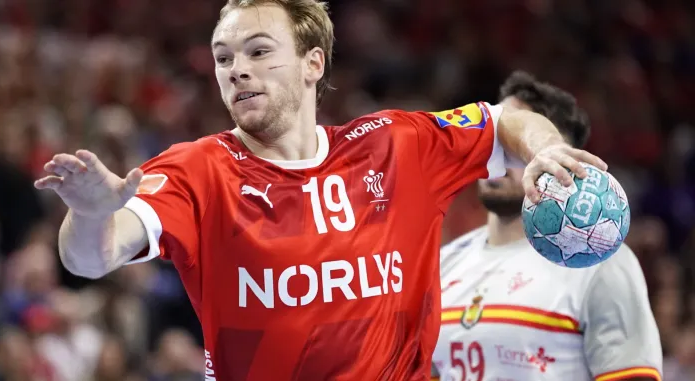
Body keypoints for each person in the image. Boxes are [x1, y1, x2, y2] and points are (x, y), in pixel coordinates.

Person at [34, 1, 607, 379]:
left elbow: (505, 118)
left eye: (259, 51)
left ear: (313, 64)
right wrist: (89, 214)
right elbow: (92, 257)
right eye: (223, 58)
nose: (236, 70)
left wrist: (547, 149)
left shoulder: (395, 144)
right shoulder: (198, 170)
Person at [431, 71, 662, 381]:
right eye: (497, 141)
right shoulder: (444, 264)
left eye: (516, 146)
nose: (498, 157)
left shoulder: (598, 264)